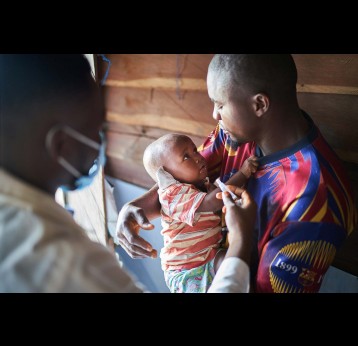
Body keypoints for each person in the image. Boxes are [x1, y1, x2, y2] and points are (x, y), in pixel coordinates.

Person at [0, 54, 255, 293]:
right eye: (98, 126)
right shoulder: (64, 263)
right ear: (61, 145)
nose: (100, 140)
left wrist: (133, 206)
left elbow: (181, 184)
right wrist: (240, 243)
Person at [116, 54, 357, 293]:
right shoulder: (234, 135)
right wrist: (135, 207)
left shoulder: (315, 203)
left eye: (220, 105)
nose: (214, 115)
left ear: (259, 105)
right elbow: (179, 179)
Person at [142, 133, 257, 292]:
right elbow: (213, 201)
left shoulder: (201, 184)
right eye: (186, 157)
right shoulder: (172, 195)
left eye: (195, 150)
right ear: (166, 175)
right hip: (185, 271)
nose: (198, 157)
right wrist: (243, 174)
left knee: (239, 268)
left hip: (210, 256)